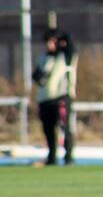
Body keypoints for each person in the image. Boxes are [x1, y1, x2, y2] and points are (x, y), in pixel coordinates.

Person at [31, 28, 76, 166]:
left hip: (61, 97)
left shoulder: (65, 57)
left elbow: (71, 48)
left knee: (65, 128)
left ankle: (68, 157)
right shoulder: (44, 58)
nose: (49, 45)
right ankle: (52, 157)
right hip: (45, 99)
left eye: (52, 41)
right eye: (47, 42)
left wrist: (64, 38)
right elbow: (36, 77)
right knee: (48, 129)